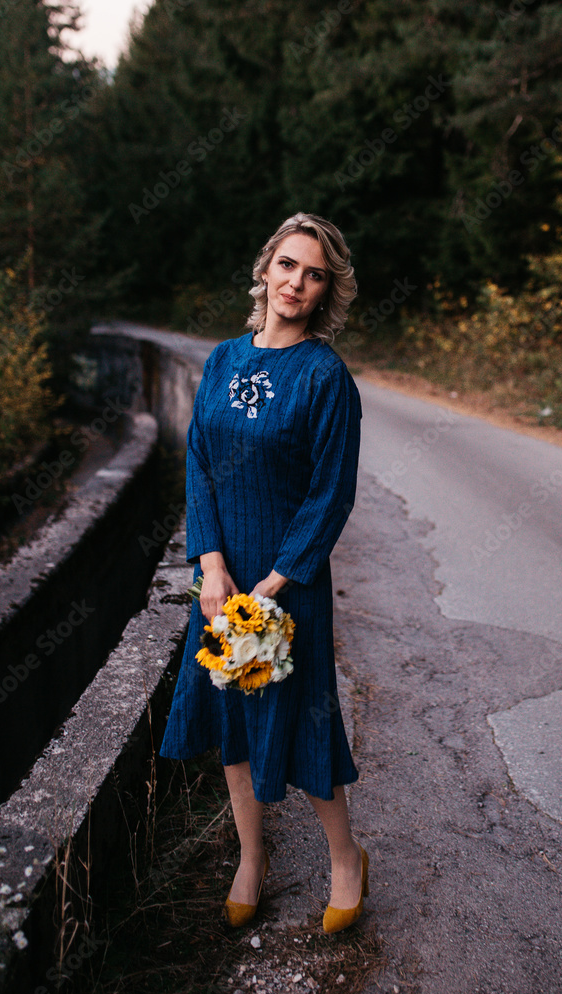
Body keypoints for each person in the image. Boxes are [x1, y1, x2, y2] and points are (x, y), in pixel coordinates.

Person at [159, 212, 368, 933]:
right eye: (287, 265)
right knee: (231, 715)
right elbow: (199, 465)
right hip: (221, 580)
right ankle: (251, 857)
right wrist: (210, 568)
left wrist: (271, 587)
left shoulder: (324, 377)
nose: (296, 283)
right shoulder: (220, 360)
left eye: (313, 274)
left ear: (325, 290)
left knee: (306, 720)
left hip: (288, 582)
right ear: (265, 270)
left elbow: (330, 493)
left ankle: (345, 858)